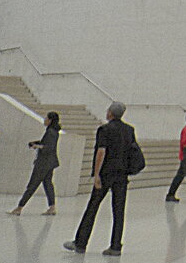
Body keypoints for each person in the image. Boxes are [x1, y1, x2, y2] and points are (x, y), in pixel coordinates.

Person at [64, 101, 135, 256]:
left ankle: (81, 243)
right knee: (119, 210)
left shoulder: (105, 129)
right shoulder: (129, 130)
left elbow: (101, 152)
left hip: (106, 174)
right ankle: (116, 246)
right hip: (122, 175)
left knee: (93, 207)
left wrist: (96, 174)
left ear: (110, 113)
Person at [9, 111, 61, 215]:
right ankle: (52, 207)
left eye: (46, 118)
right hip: (50, 162)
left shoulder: (50, 132)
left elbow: (48, 147)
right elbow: (48, 143)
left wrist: (37, 146)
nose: (44, 120)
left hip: (43, 163)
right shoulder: (54, 131)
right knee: (48, 184)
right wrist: (38, 143)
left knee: (33, 184)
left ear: (50, 120)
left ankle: (19, 207)